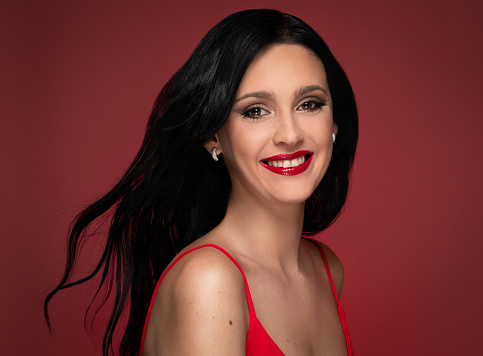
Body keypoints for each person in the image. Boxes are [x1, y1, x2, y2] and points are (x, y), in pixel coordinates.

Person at [45, 9, 358, 356]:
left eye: (309, 104)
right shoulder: (208, 282)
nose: (289, 134)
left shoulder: (327, 269)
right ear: (213, 137)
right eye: (255, 110)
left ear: (334, 123)